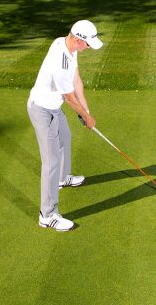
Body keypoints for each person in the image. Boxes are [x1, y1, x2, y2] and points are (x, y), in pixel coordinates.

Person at [26, 19, 103, 231]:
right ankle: (47, 214)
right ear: (78, 40)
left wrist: (86, 111)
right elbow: (69, 98)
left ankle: (63, 178)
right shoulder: (60, 62)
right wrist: (86, 118)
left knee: (65, 137)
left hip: (53, 107)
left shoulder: (66, 44)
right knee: (50, 161)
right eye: (87, 44)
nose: (88, 48)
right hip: (42, 110)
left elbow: (77, 81)